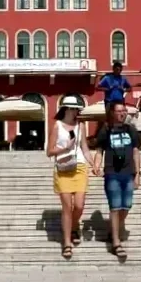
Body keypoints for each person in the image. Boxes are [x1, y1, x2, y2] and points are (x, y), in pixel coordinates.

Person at [92, 100, 141, 262]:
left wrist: (138, 174)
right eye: (119, 111)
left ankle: (114, 229)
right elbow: (99, 150)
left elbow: (136, 151)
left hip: (128, 173)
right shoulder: (106, 130)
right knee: (115, 207)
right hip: (112, 173)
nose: (122, 113)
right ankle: (116, 241)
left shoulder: (131, 130)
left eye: (124, 111)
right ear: (112, 113)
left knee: (126, 206)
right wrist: (96, 165)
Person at [47, 93, 88, 260]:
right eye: (74, 109)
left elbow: (84, 147)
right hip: (63, 168)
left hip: (80, 166)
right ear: (67, 109)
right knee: (67, 207)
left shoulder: (81, 126)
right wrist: (66, 148)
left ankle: (73, 225)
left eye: (77, 109)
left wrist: (94, 164)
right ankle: (66, 243)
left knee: (78, 205)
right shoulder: (57, 126)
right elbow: (49, 152)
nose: (77, 112)